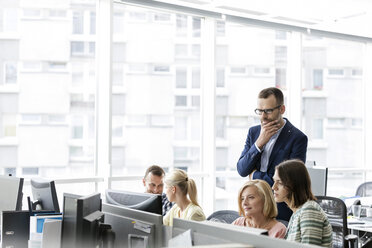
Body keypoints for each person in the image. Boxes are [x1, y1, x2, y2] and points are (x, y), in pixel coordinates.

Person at [237, 87, 308, 221]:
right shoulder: (254, 133)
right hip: (253, 211)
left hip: (280, 211)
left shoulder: (297, 138)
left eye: (268, 111)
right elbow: (241, 169)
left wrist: (254, 175)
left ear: (281, 109)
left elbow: (287, 182)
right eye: (259, 111)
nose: (263, 116)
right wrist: (259, 143)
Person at [272, 159, 332, 247]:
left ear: (293, 184)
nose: (274, 187)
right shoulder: (297, 212)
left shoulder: (309, 211)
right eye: (274, 181)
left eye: (280, 182)